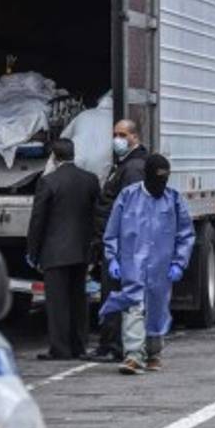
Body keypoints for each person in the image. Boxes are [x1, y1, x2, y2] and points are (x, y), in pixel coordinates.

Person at [99, 154, 195, 375]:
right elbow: (112, 232)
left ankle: (153, 353)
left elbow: (185, 234)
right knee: (134, 307)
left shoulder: (173, 200)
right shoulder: (128, 197)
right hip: (132, 265)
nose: (161, 185)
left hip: (161, 268)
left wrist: (179, 263)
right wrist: (112, 258)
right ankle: (133, 356)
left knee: (157, 310)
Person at [26, 139, 100, 361]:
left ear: (54, 157)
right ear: (73, 154)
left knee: (57, 303)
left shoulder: (48, 182)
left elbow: (38, 220)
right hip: (81, 250)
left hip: (55, 251)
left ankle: (60, 348)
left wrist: (33, 250)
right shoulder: (90, 180)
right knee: (79, 299)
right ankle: (79, 345)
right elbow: (97, 214)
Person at [89, 119, 149, 361]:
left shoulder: (133, 167)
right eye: (115, 134)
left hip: (122, 245)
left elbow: (131, 210)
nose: (117, 139)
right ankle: (112, 344)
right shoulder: (127, 164)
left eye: (122, 134)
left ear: (134, 137)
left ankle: (113, 346)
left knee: (114, 294)